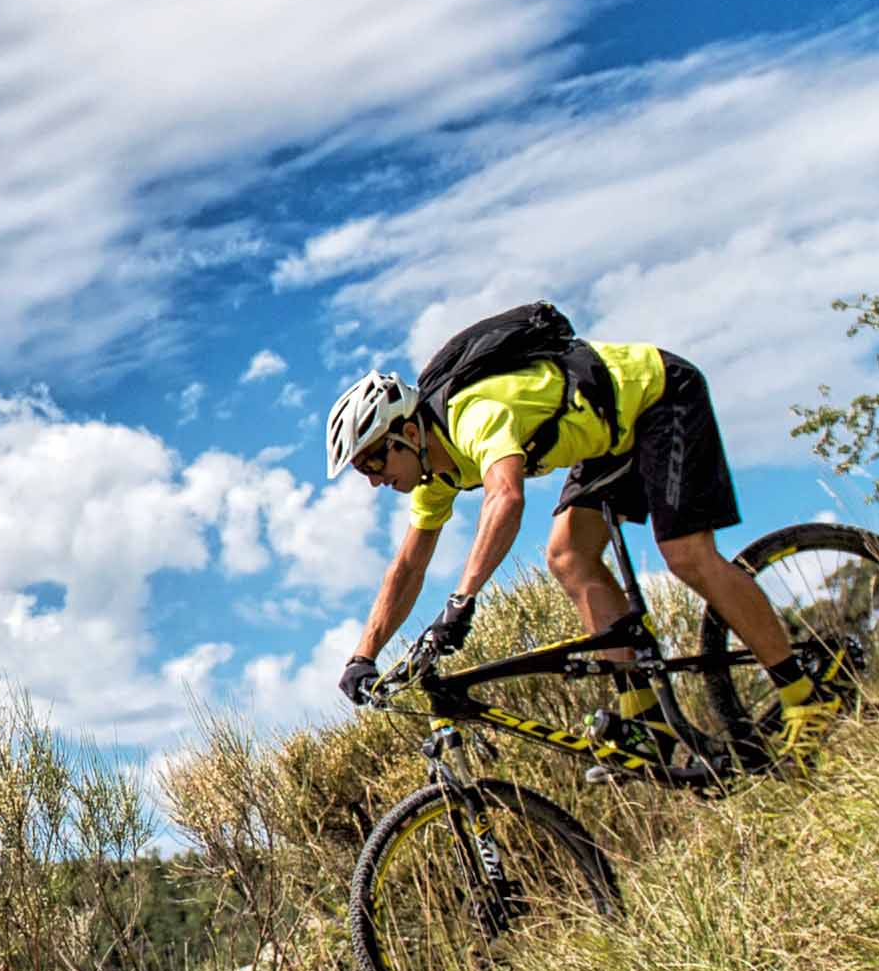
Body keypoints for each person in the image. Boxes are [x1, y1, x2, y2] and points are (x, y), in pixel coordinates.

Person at [323, 311, 839, 746]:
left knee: (684, 554)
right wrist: (363, 655)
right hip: (604, 440)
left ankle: (806, 696)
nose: (372, 481)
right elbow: (409, 565)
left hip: (658, 397)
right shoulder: (436, 473)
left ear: (408, 433)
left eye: (372, 462)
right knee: (568, 556)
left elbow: (506, 497)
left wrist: (462, 600)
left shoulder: (474, 417)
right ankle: (647, 720)